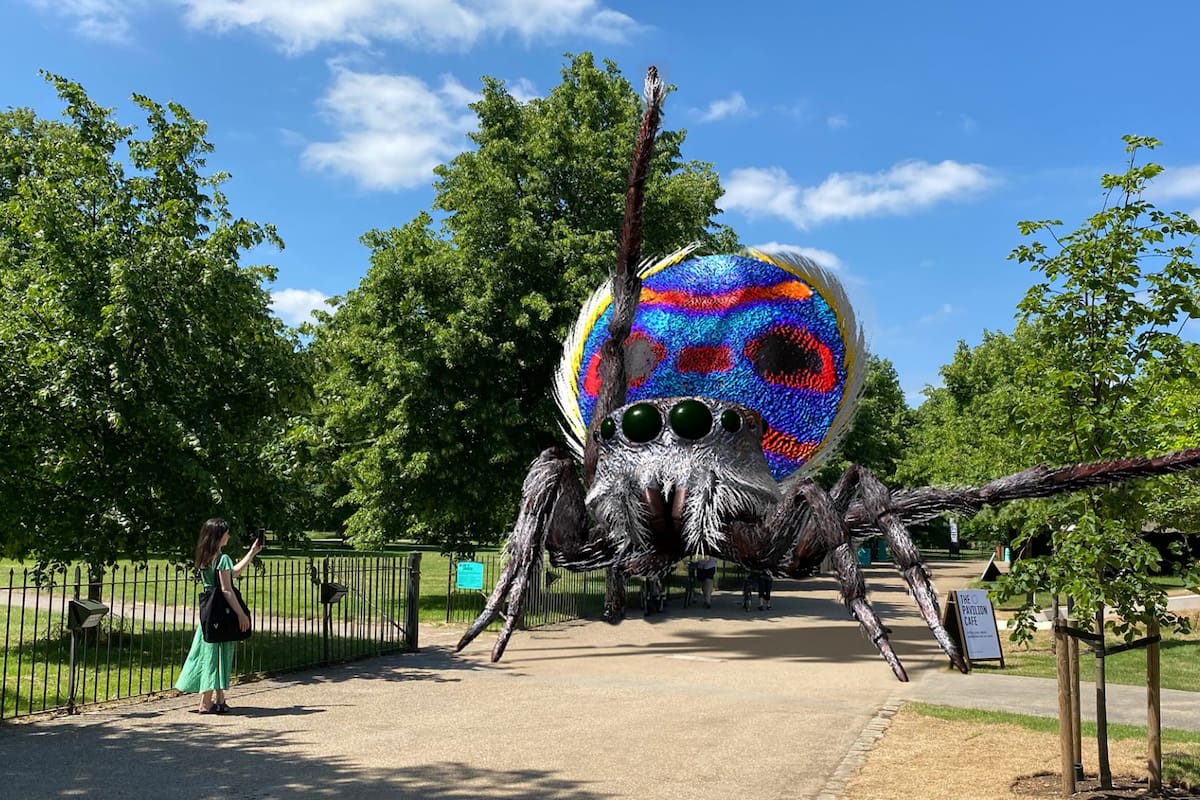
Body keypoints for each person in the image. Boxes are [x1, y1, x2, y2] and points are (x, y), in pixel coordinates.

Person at [176, 517, 262, 714]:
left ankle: (219, 698)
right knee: (217, 654)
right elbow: (227, 589)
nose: (229, 536)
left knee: (208, 653)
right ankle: (206, 702)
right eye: (226, 533)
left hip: (209, 613)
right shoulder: (222, 559)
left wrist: (252, 553)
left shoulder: (206, 558)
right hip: (221, 613)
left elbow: (232, 573)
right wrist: (241, 614)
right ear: (219, 536)